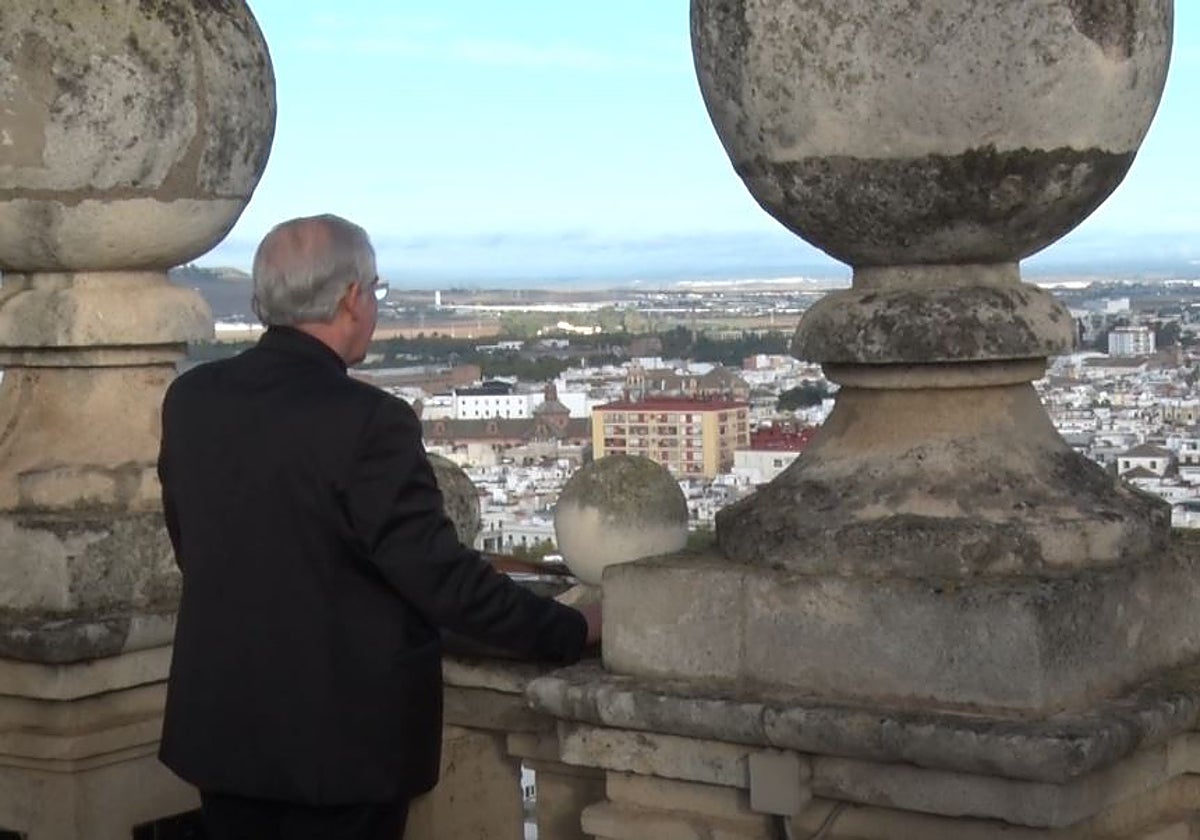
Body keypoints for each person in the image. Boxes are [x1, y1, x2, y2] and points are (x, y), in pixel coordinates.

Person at [156, 214, 600, 840]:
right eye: (376, 290)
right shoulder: (369, 422)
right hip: (341, 751)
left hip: (225, 732)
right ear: (351, 298)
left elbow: (196, 547)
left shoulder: (193, 399)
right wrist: (571, 627)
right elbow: (440, 580)